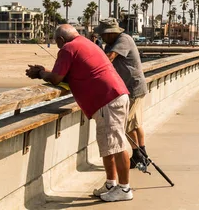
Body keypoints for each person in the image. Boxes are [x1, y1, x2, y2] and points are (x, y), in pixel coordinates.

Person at [25, 25, 133, 202]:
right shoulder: (86, 43)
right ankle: (111, 184)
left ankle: (124, 189)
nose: (57, 45)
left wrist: (40, 73)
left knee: (117, 145)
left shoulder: (68, 48)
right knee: (108, 144)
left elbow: (56, 78)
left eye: (56, 42)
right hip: (115, 96)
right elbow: (72, 74)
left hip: (108, 100)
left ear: (60, 40)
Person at [97, 18, 148, 170]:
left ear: (112, 33)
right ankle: (143, 154)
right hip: (129, 87)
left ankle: (138, 154)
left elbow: (109, 59)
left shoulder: (123, 39)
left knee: (127, 124)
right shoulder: (110, 43)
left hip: (134, 88)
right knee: (136, 123)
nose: (102, 37)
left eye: (104, 34)